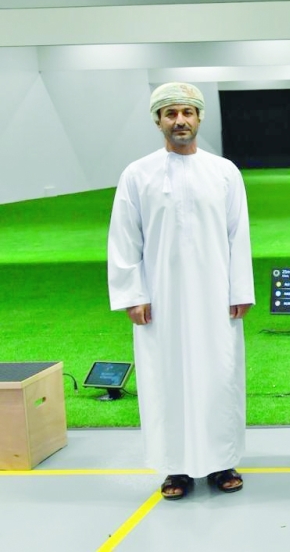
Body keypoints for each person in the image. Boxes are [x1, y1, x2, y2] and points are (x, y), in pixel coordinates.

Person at [107, 82, 254, 500]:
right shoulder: (137, 174)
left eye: (187, 112)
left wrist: (239, 289)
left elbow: (238, 234)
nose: (180, 121)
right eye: (170, 113)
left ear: (199, 117)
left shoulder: (224, 172)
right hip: (162, 300)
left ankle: (222, 462)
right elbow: (125, 238)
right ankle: (176, 468)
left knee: (219, 375)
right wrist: (134, 294)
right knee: (165, 377)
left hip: (215, 298)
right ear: (158, 121)